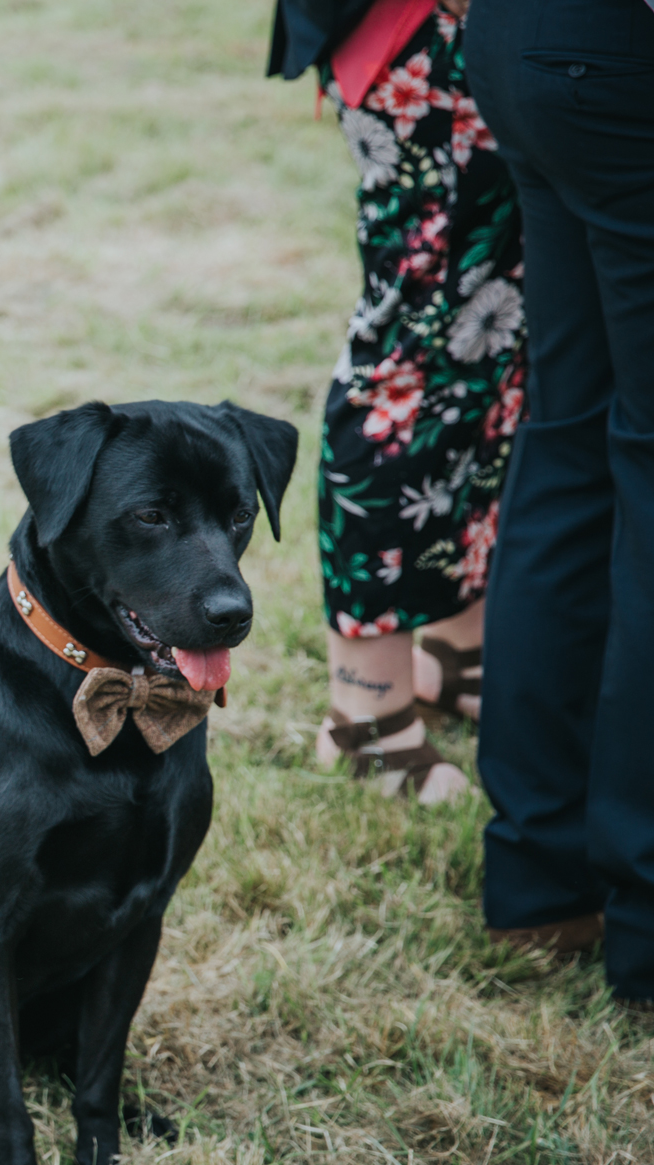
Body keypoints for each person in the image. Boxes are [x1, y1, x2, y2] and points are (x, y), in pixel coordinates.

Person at [268, 0, 526, 803]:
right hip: (415, 30)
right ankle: (364, 713)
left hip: (473, 34)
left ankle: (456, 648)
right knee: (408, 355)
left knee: (487, 341)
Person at [464, 0, 654, 992]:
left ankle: (541, 880)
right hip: (617, 54)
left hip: (521, 36)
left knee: (569, 440)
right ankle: (642, 919)